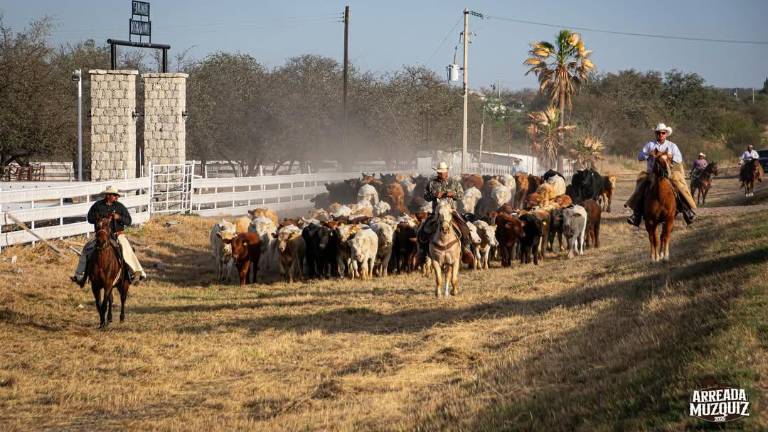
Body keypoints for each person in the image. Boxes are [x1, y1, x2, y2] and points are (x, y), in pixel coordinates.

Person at [71, 186, 147, 285]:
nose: (116, 197)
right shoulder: (97, 206)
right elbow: (89, 218)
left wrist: (118, 217)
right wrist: (100, 217)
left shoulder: (120, 207)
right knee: (87, 249)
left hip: (117, 235)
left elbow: (129, 221)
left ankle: (137, 273)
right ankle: (79, 275)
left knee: (127, 249)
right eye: (115, 195)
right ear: (108, 195)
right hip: (101, 236)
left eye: (116, 195)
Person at [625, 123, 697, 226]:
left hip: (669, 173)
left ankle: (687, 210)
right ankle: (636, 214)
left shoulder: (672, 146)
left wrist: (670, 156)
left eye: (663, 133)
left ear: (666, 134)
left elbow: (679, 159)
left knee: (679, 184)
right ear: (656, 134)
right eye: (658, 133)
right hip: (652, 174)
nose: (661, 135)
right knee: (642, 184)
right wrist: (648, 154)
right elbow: (640, 157)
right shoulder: (650, 145)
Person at [417, 161, 474, 265]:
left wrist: (453, 194)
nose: (441, 174)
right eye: (439, 172)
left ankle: (466, 249)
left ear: (447, 171)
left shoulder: (454, 182)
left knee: (464, 227)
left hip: (451, 211)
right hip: (436, 212)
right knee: (423, 229)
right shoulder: (431, 183)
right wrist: (434, 195)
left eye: (442, 172)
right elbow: (426, 196)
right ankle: (423, 252)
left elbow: (461, 195)